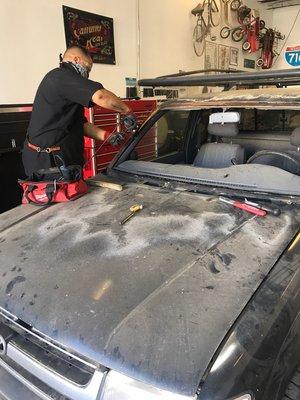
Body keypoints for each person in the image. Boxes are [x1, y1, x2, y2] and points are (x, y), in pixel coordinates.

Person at [22, 45, 131, 178]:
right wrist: (128, 111)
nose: (87, 73)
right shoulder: (60, 76)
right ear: (77, 59)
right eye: (88, 68)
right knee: (57, 198)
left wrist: (108, 136)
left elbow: (81, 125)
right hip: (47, 164)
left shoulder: (67, 87)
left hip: (62, 161)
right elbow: (101, 96)